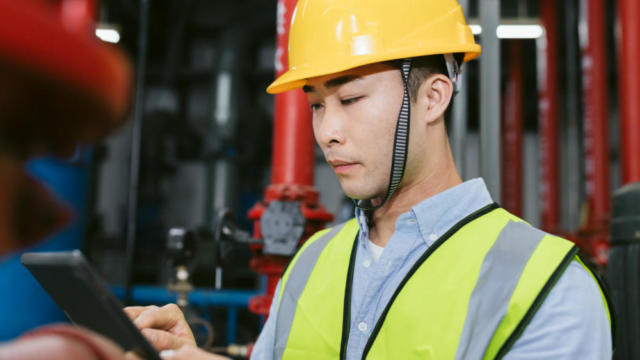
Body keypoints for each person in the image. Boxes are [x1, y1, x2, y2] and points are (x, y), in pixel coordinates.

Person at [127, 0, 613, 359]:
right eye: (317, 105)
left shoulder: (548, 288)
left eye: (351, 100)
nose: (327, 133)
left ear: (433, 97)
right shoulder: (312, 263)